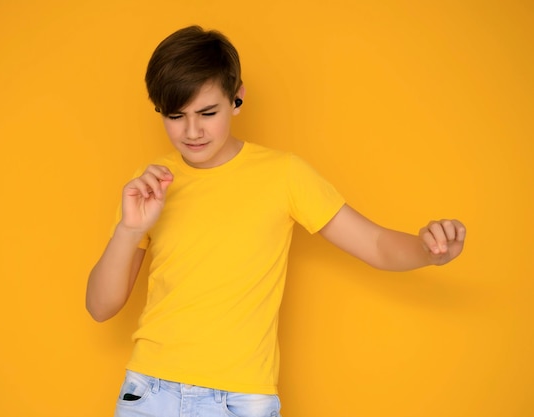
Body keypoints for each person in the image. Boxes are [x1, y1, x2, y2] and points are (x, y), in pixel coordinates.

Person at [86, 25, 466, 417]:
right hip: (149, 393)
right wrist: (129, 229)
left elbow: (375, 245)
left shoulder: (284, 175)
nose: (192, 131)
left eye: (208, 113)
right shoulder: (149, 185)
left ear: (237, 98)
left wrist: (428, 250)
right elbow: (100, 307)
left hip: (240, 400)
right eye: (176, 116)